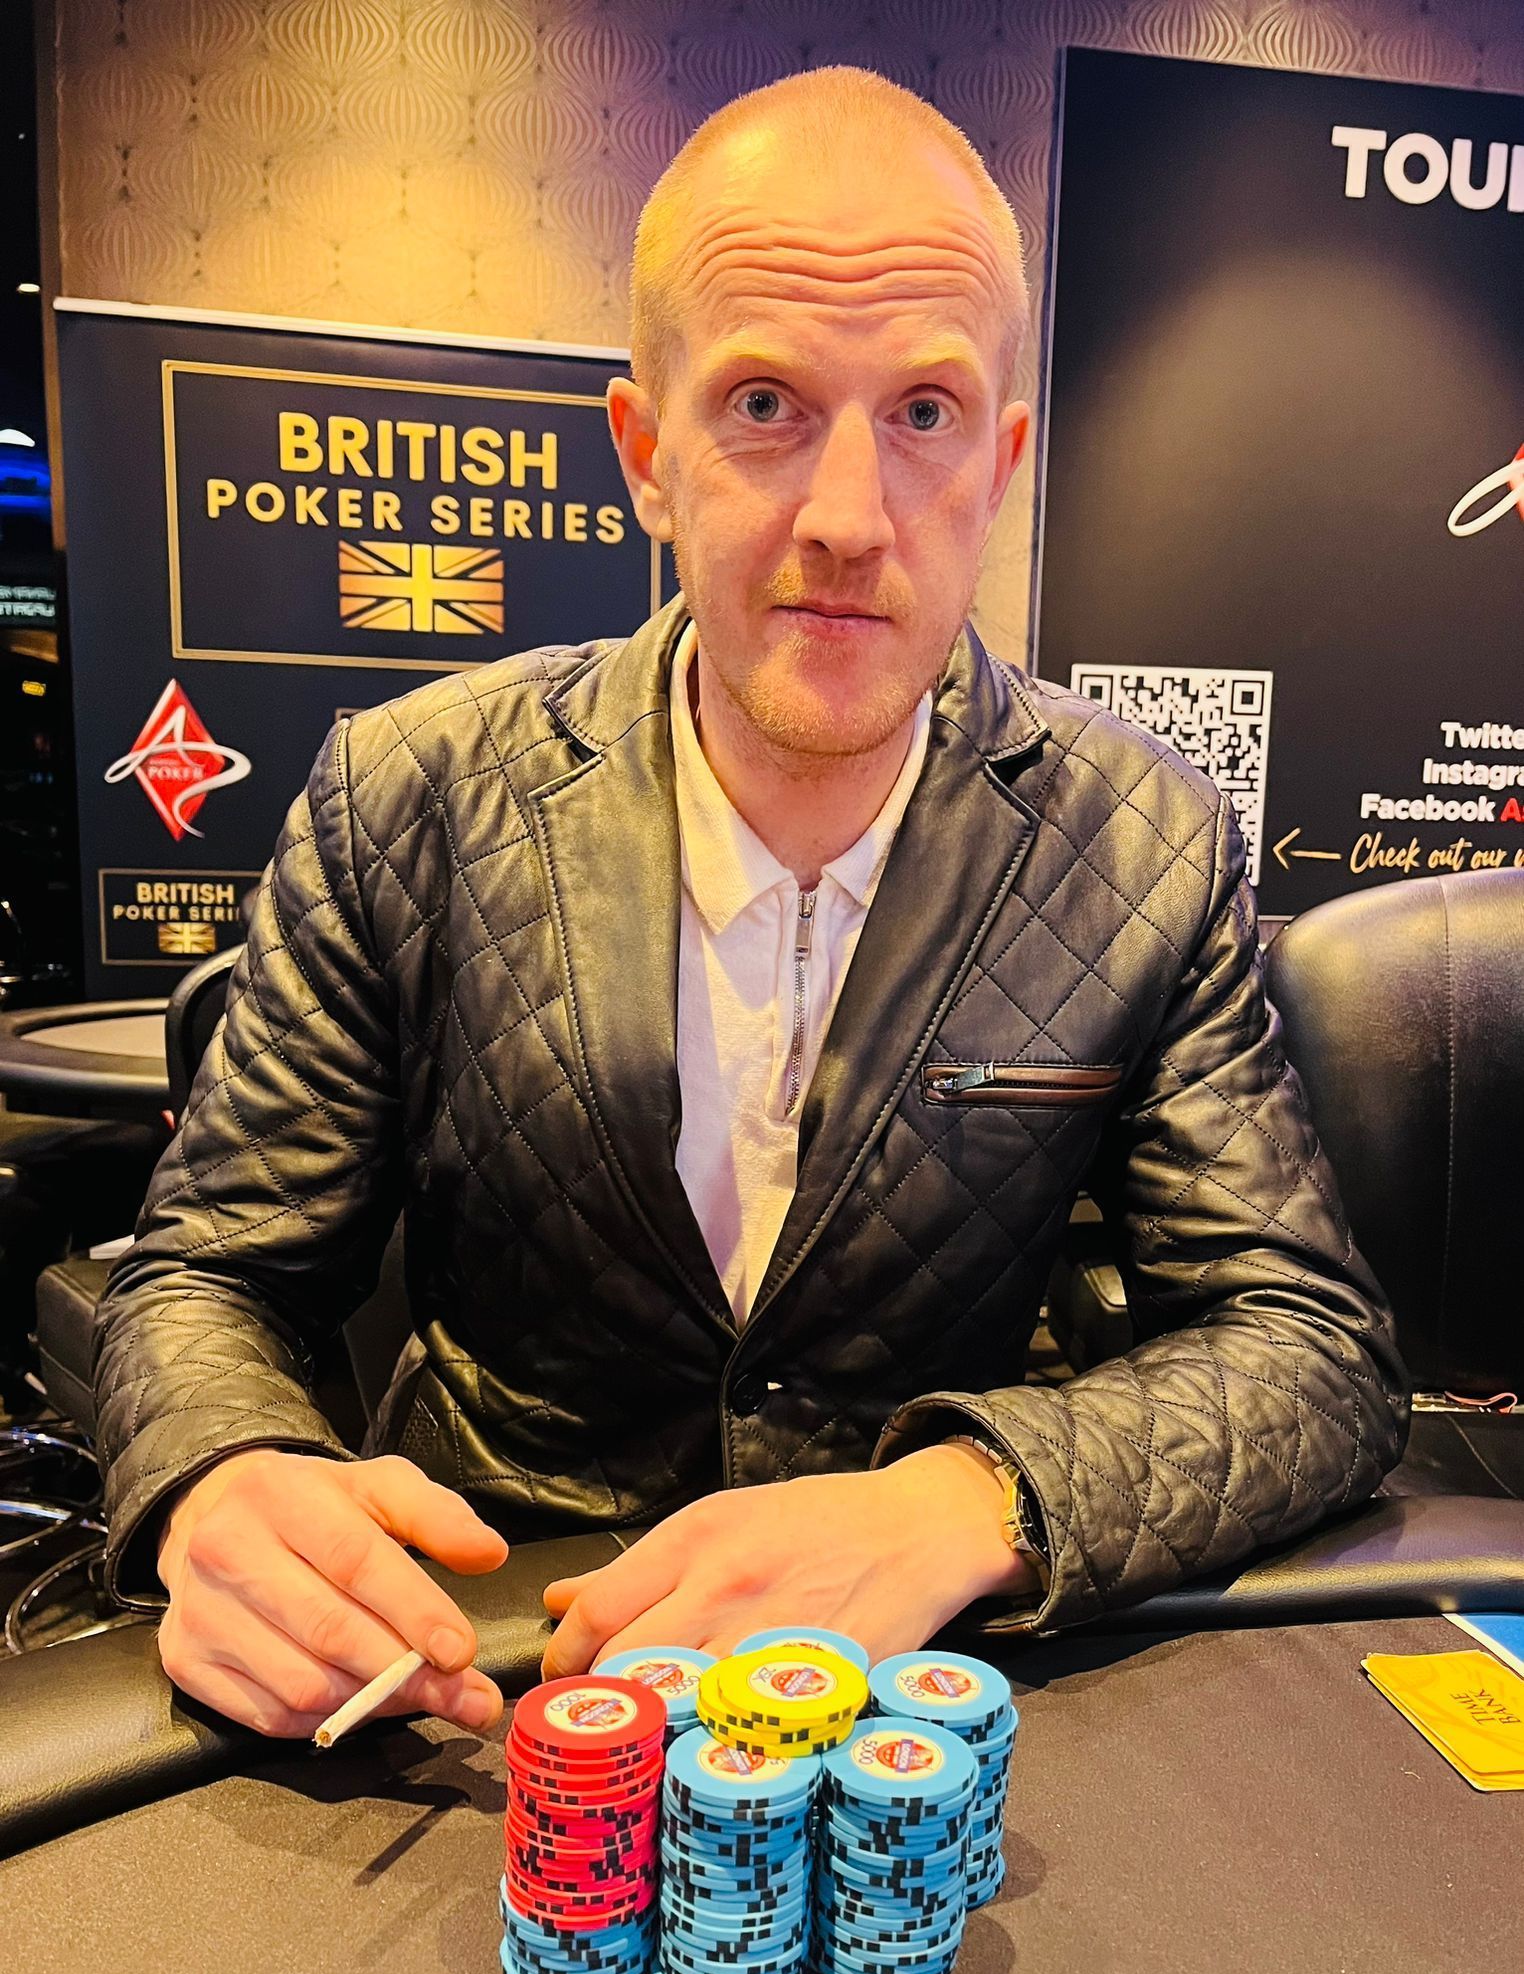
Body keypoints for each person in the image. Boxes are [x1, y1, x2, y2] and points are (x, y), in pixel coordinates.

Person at [90, 66, 1407, 1742]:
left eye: (925, 413)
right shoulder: (404, 791)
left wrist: (968, 1501)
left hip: (913, 1687)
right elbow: (205, 1271)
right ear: (648, 450)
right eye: (768, 404)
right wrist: (222, 1470)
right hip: (476, 1673)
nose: (849, 517)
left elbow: (1307, 1344)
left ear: (1000, 461)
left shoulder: (1144, 839)